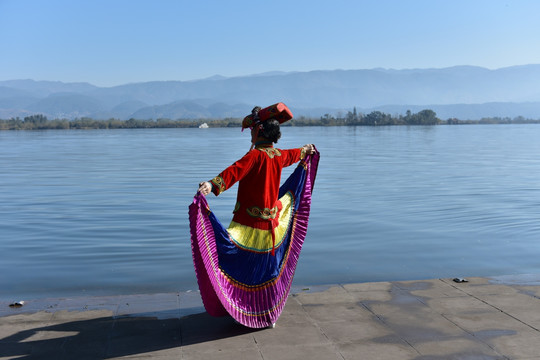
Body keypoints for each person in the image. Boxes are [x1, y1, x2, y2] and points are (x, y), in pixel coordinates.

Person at [188, 103, 319, 329]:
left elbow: (233, 171)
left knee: (228, 258)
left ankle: (238, 305)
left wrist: (211, 184)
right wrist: (306, 150)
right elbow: (295, 154)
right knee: (267, 272)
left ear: (257, 132)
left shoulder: (255, 156)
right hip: (272, 227)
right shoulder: (278, 155)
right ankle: (268, 315)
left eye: (251, 132)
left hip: (247, 226)